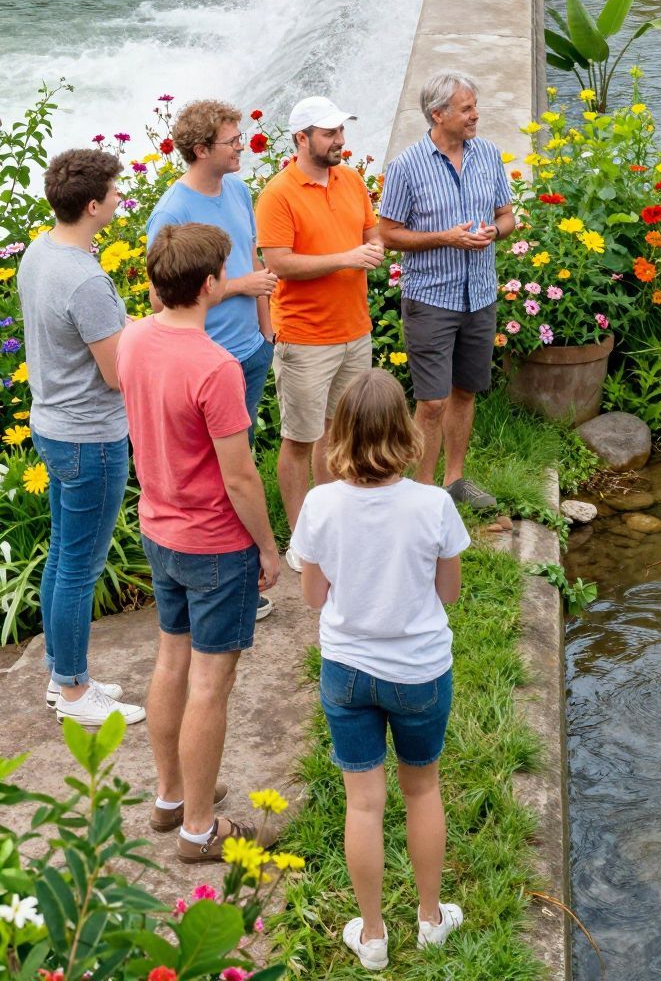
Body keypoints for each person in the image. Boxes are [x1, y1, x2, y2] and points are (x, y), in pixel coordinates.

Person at [290, 370, 469, 969]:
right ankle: (429, 917)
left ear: (340, 434)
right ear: (407, 432)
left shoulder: (320, 504)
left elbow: (314, 598)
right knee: (422, 789)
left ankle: (371, 936)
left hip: (347, 670)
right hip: (420, 671)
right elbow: (449, 592)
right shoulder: (434, 503)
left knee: (362, 804)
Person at [117, 222, 280, 862]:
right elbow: (240, 475)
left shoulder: (133, 340)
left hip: (159, 527)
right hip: (213, 540)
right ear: (211, 285)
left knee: (170, 660)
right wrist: (267, 548)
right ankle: (201, 830)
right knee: (211, 683)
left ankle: (169, 798)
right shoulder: (215, 367)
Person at [20, 147, 145, 727]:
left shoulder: (40, 253)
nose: (120, 199)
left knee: (62, 558)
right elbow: (117, 373)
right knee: (79, 567)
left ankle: (61, 673)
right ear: (93, 205)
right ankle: (73, 692)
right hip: (90, 436)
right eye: (115, 193)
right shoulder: (87, 280)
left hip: (51, 425)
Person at [146, 99, 278, 621]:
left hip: (248, 353)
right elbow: (162, 299)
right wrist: (240, 287)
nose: (241, 147)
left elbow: (254, 259)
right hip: (203, 364)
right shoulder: (172, 212)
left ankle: (240, 573)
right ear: (202, 150)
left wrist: (266, 329)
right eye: (231, 141)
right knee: (216, 477)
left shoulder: (240, 191)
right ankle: (223, 579)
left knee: (238, 463)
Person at [378, 72, 515, 513]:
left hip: (479, 294)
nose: (475, 115)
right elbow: (389, 235)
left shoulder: (488, 155)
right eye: (466, 108)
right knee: (432, 400)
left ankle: (455, 480)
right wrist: (446, 238)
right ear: (438, 115)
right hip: (430, 298)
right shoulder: (406, 167)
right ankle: (420, 492)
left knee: (466, 392)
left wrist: (495, 231)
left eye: (474, 106)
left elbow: (508, 216)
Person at [254, 97, 383, 560]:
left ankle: (332, 526)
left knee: (338, 435)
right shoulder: (278, 194)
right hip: (306, 338)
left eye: (341, 132)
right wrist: (347, 258)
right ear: (301, 139)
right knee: (300, 439)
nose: (340, 141)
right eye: (329, 134)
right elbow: (279, 263)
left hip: (355, 330)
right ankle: (301, 541)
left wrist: (373, 246)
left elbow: (371, 231)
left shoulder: (350, 179)